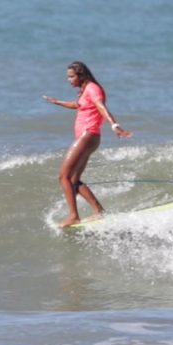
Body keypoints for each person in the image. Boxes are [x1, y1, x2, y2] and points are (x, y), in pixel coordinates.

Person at [43, 61, 132, 228]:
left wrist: (115, 126)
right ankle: (98, 210)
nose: (69, 80)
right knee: (74, 180)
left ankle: (73, 216)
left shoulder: (92, 89)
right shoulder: (85, 90)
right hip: (89, 137)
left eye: (71, 76)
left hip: (87, 135)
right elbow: (77, 105)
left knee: (63, 176)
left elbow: (101, 107)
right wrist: (57, 102)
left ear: (81, 75)